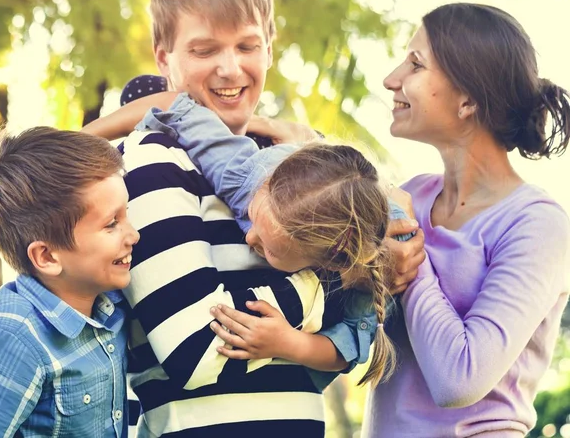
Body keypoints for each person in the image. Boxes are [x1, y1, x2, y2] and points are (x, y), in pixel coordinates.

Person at [88, 0, 424, 438]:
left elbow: (343, 345)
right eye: (204, 50)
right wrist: (332, 276)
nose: (230, 68)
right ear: (164, 59)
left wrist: (384, 239)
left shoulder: (302, 172)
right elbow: (199, 351)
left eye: (247, 45)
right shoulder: (152, 160)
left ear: (269, 49)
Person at [86, 89, 415, 389]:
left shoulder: (372, 271)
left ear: (329, 262)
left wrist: (289, 344)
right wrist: (68, 148)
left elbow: (346, 347)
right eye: (254, 216)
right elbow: (180, 109)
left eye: (267, 248)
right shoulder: (245, 171)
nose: (249, 236)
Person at [365, 3, 570, 437]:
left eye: (416, 64)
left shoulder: (536, 224)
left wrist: (410, 258)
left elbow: (458, 378)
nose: (391, 79)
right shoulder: (412, 193)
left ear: (469, 101)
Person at [0, 127, 140, 437]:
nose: (133, 235)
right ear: (47, 257)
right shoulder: (11, 338)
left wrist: (258, 127)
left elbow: (169, 105)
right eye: (111, 224)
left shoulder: (110, 308)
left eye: (127, 215)